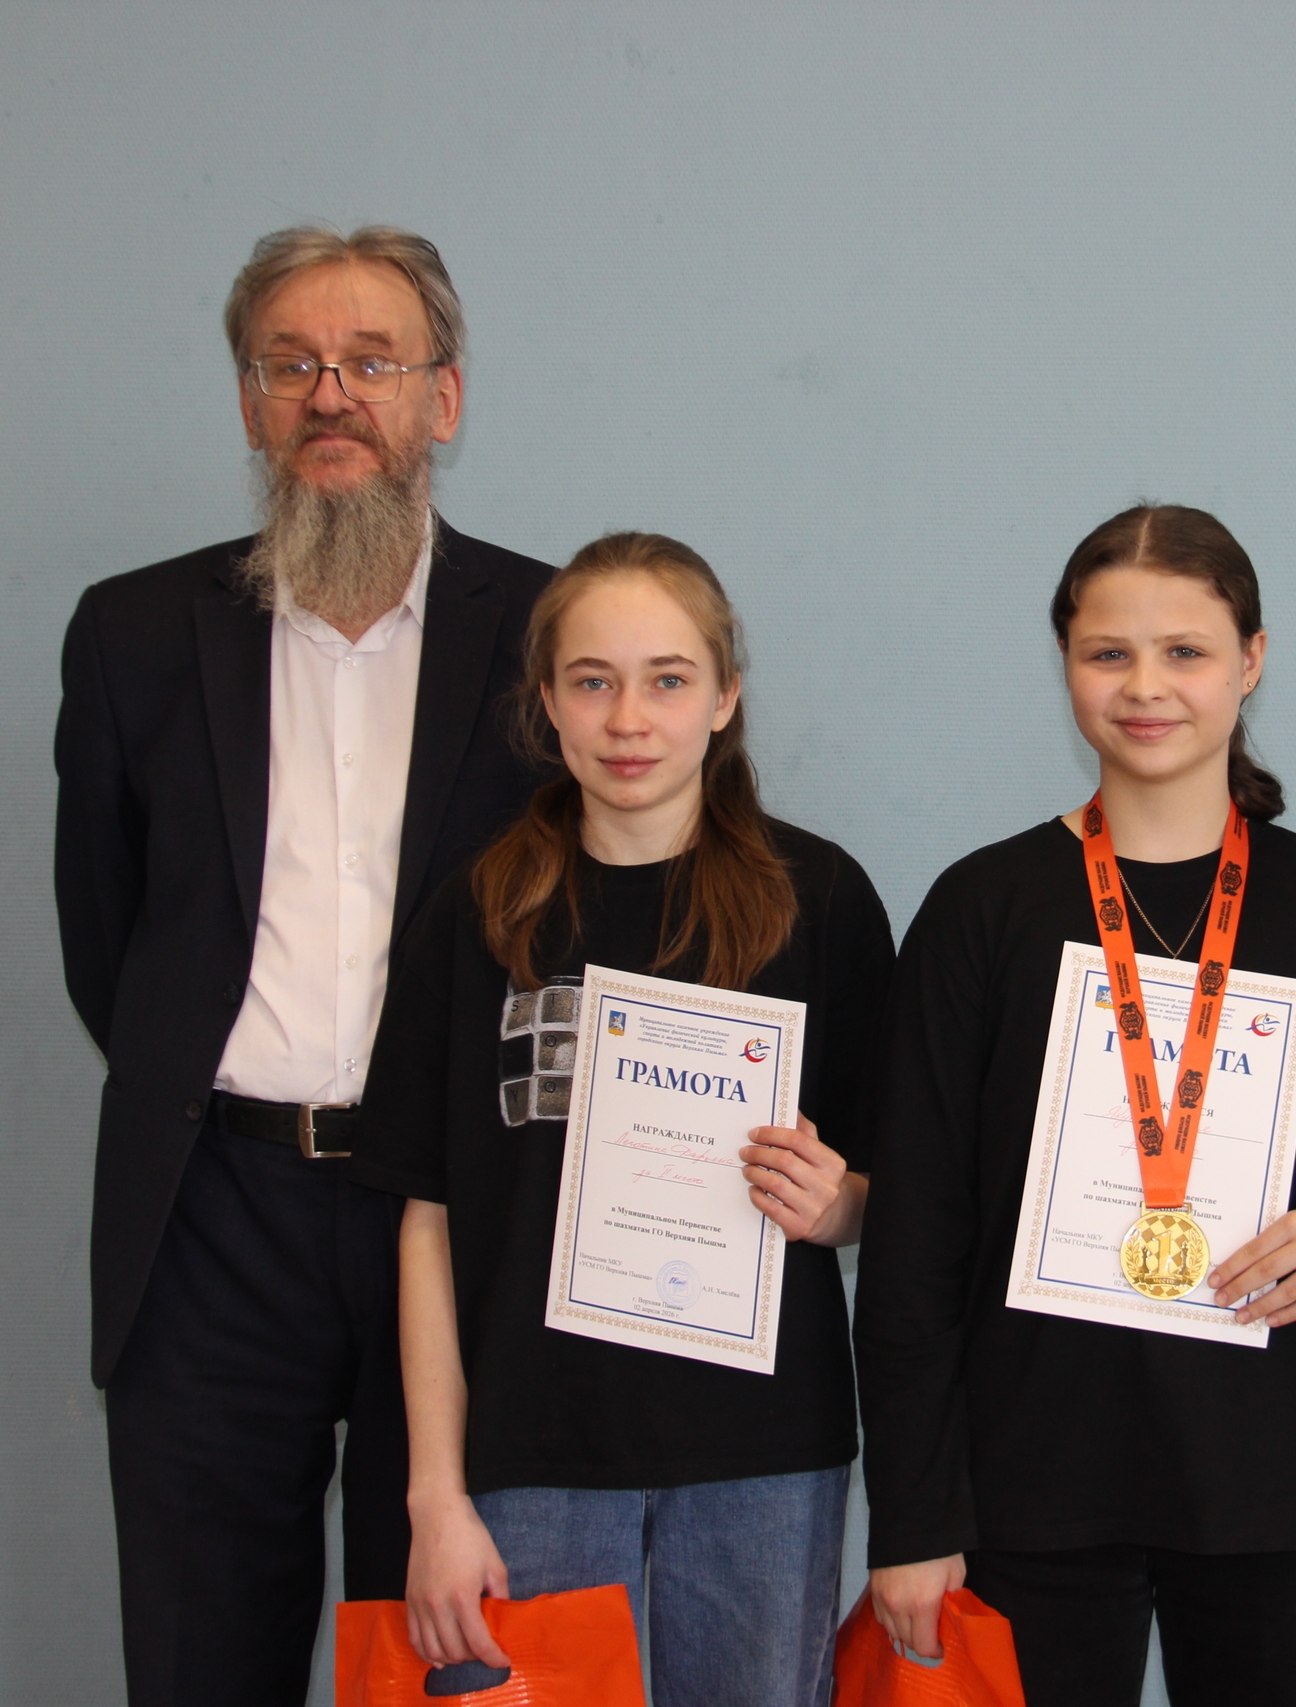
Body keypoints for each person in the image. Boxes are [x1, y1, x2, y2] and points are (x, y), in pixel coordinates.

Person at [53, 225, 557, 1705]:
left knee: (445, 1660)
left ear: (442, 399)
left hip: (452, 1215)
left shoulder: (547, 637)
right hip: (210, 1217)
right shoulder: (135, 633)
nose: (330, 394)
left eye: (371, 363)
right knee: (202, 1654)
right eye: (291, 365)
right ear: (249, 403)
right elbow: (110, 938)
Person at [854, 505, 1296, 1707]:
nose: (1145, 686)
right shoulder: (982, 909)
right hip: (1026, 1488)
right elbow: (916, 1234)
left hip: (1269, 1484)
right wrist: (912, 1516)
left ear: (1251, 659)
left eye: (1184, 651)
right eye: (1108, 652)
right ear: (1065, 663)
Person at [346, 532, 897, 1707]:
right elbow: (425, 1220)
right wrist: (433, 1496)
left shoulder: (821, 902)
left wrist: (835, 1205)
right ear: (546, 701)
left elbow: (887, 1194)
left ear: (725, 698)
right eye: (592, 681)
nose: (628, 719)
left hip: (762, 1455)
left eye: (668, 679)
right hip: (531, 1455)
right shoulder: (475, 914)